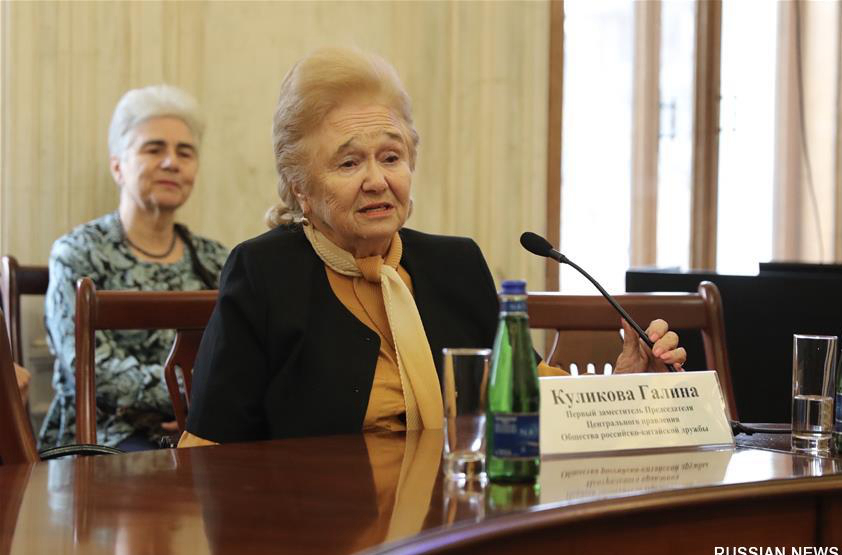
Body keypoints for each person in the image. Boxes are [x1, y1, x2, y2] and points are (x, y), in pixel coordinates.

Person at [180, 48, 685, 447]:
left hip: (457, 521)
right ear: (300, 188)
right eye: (349, 163)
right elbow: (211, 448)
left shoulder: (454, 264)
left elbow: (529, 394)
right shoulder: (265, 273)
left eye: (391, 156)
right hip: (319, 542)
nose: (377, 180)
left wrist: (626, 387)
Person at [40, 85, 229, 451]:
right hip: (101, 439)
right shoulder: (77, 254)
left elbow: (238, 358)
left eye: (185, 152)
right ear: (117, 165)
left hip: (201, 431)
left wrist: (202, 408)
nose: (172, 162)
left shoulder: (217, 260)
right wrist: (187, 397)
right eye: (154, 149)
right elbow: (91, 367)